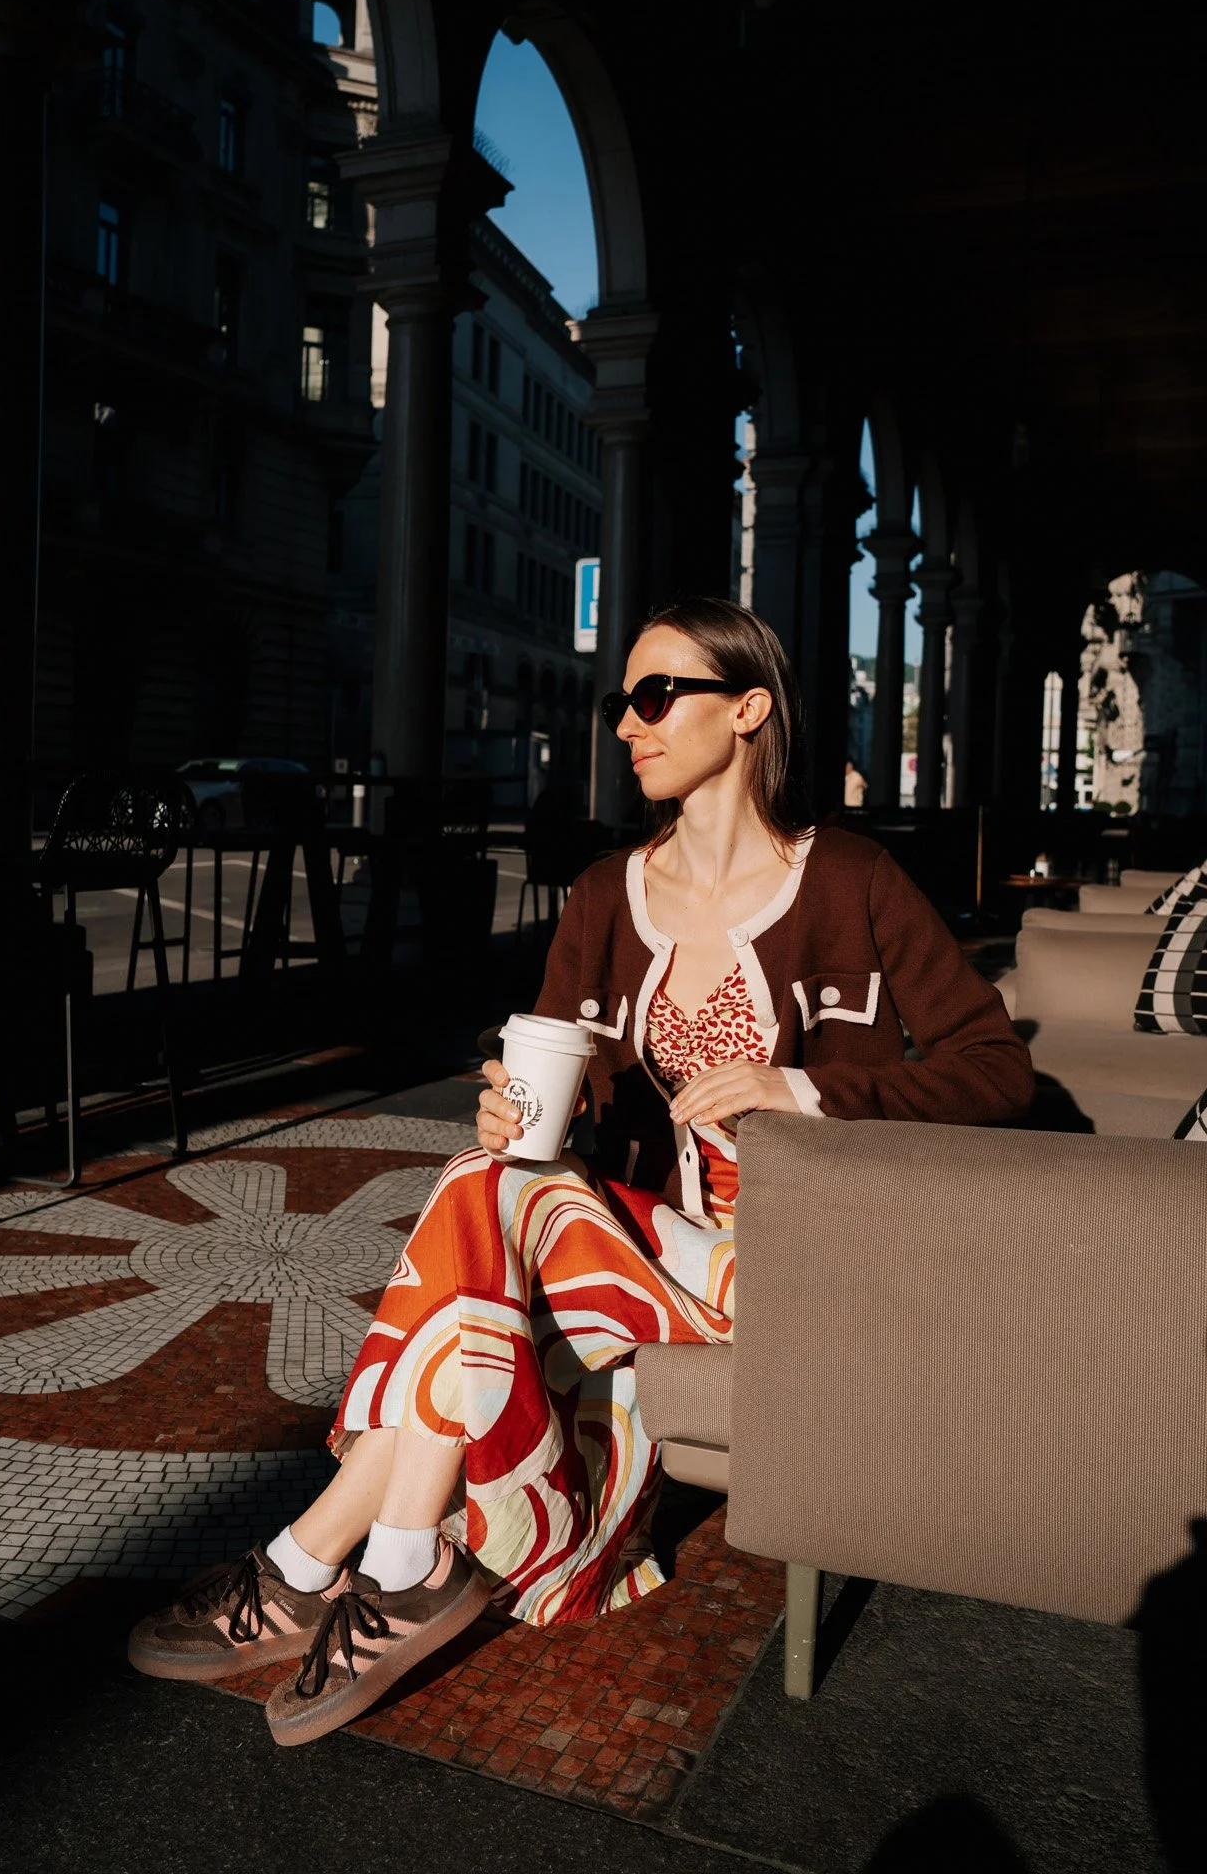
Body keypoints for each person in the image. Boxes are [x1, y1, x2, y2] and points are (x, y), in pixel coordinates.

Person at [128, 596, 1034, 1746]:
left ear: (748, 708)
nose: (628, 724)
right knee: (482, 1178)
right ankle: (389, 1563)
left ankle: (305, 1563)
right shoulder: (610, 892)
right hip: (643, 1237)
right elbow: (549, 1092)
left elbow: (996, 1070)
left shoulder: (852, 879)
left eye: (659, 696)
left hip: (797, 1256)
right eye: (624, 703)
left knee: (474, 1220)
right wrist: (512, 1109)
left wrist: (797, 1088)